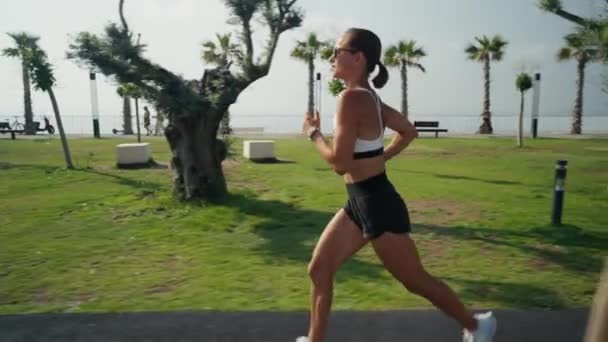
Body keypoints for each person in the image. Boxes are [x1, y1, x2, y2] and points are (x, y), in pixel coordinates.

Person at [297, 28, 496, 342]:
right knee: (319, 269)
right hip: (359, 201)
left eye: (338, 51)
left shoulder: (352, 99)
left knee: (415, 281)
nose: (332, 57)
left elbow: (339, 164)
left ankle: (476, 325)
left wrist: (313, 134)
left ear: (358, 57)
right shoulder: (369, 97)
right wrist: (379, 159)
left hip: (377, 204)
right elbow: (408, 131)